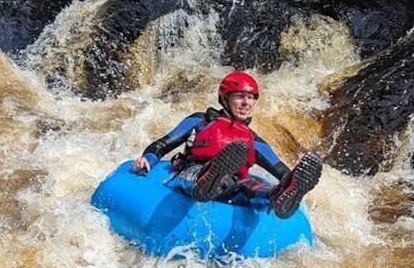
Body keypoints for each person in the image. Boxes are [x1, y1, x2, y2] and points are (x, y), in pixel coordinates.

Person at [131, 71, 322, 219]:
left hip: (230, 184)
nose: (246, 103)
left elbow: (280, 169)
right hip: (191, 172)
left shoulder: (251, 138)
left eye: (251, 98)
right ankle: (206, 179)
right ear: (225, 98)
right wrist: (147, 159)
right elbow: (164, 143)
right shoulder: (200, 121)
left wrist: (292, 183)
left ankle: (275, 196)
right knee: (193, 175)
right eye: (240, 96)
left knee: (248, 185)